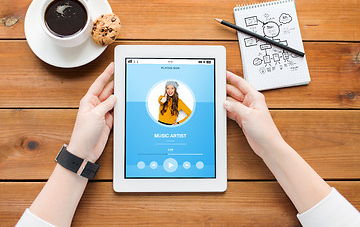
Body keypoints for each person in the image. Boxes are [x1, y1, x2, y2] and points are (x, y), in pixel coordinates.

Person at [17, 63, 360, 227]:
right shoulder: (161, 103)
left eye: (170, 89)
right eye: (165, 89)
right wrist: (83, 155)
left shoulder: (179, 103)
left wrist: (80, 157)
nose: (167, 92)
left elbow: (181, 112)